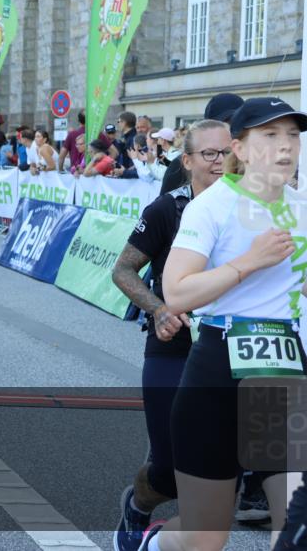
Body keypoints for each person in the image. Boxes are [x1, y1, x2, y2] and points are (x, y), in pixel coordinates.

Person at [139, 97, 307, 551]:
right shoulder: (211, 206)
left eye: (292, 135)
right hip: (217, 365)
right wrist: (249, 262)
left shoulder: (303, 207)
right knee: (205, 539)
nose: (286, 146)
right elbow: (177, 292)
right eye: (270, 136)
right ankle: (154, 544)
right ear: (243, 148)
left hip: (280, 374)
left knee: (297, 527)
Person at [110, 119, 232, 551]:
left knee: (221, 468)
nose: (221, 162)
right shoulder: (167, 209)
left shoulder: (253, 212)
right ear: (188, 160)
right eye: (209, 154)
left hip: (228, 349)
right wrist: (158, 308)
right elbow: (123, 270)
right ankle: (138, 507)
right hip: (172, 345)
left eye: (227, 152)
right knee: (167, 468)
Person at [161, 94, 243, 195]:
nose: (230, 130)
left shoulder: (250, 160)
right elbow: (165, 206)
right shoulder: (181, 166)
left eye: (237, 122)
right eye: (209, 154)